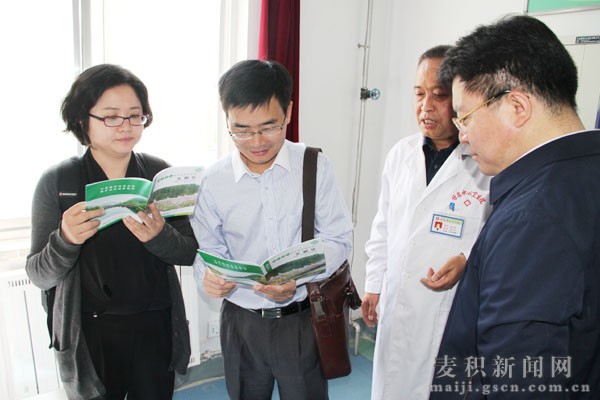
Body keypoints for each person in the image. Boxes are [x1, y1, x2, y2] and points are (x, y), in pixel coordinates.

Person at [429, 15, 600, 399]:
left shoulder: (531, 220)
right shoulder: (585, 174)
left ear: (517, 106)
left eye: (464, 117)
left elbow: (518, 383)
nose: (461, 134)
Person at [25, 64, 197, 400]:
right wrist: (66, 240)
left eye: (135, 115)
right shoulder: (59, 183)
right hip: (91, 333)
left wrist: (159, 236)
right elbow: (39, 274)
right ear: (82, 120)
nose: (126, 126)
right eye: (111, 117)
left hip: (155, 326)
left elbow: (191, 252)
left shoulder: (159, 174)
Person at [191, 59, 352, 400]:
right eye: (241, 130)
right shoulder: (213, 181)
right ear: (227, 120)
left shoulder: (314, 165)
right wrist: (208, 276)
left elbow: (338, 240)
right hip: (242, 323)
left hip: (301, 320)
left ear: (288, 112)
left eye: (268, 127)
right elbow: (207, 251)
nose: (256, 141)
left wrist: (299, 277)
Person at [360, 45, 492, 399]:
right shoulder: (400, 154)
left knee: (435, 384)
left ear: (461, 99)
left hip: (446, 306)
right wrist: (374, 284)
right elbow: (383, 226)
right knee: (390, 384)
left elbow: (495, 236)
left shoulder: (483, 162)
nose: (426, 106)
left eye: (439, 95)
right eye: (419, 94)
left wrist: (466, 260)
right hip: (397, 297)